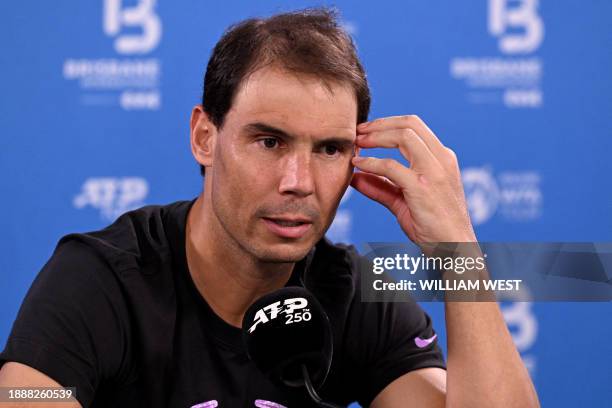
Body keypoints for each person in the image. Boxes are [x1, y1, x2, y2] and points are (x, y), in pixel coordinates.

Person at [0, 7, 539, 408]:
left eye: (329, 149)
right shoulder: (101, 279)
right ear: (204, 137)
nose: (298, 182)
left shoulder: (352, 295)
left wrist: (457, 249)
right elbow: (27, 393)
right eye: (269, 142)